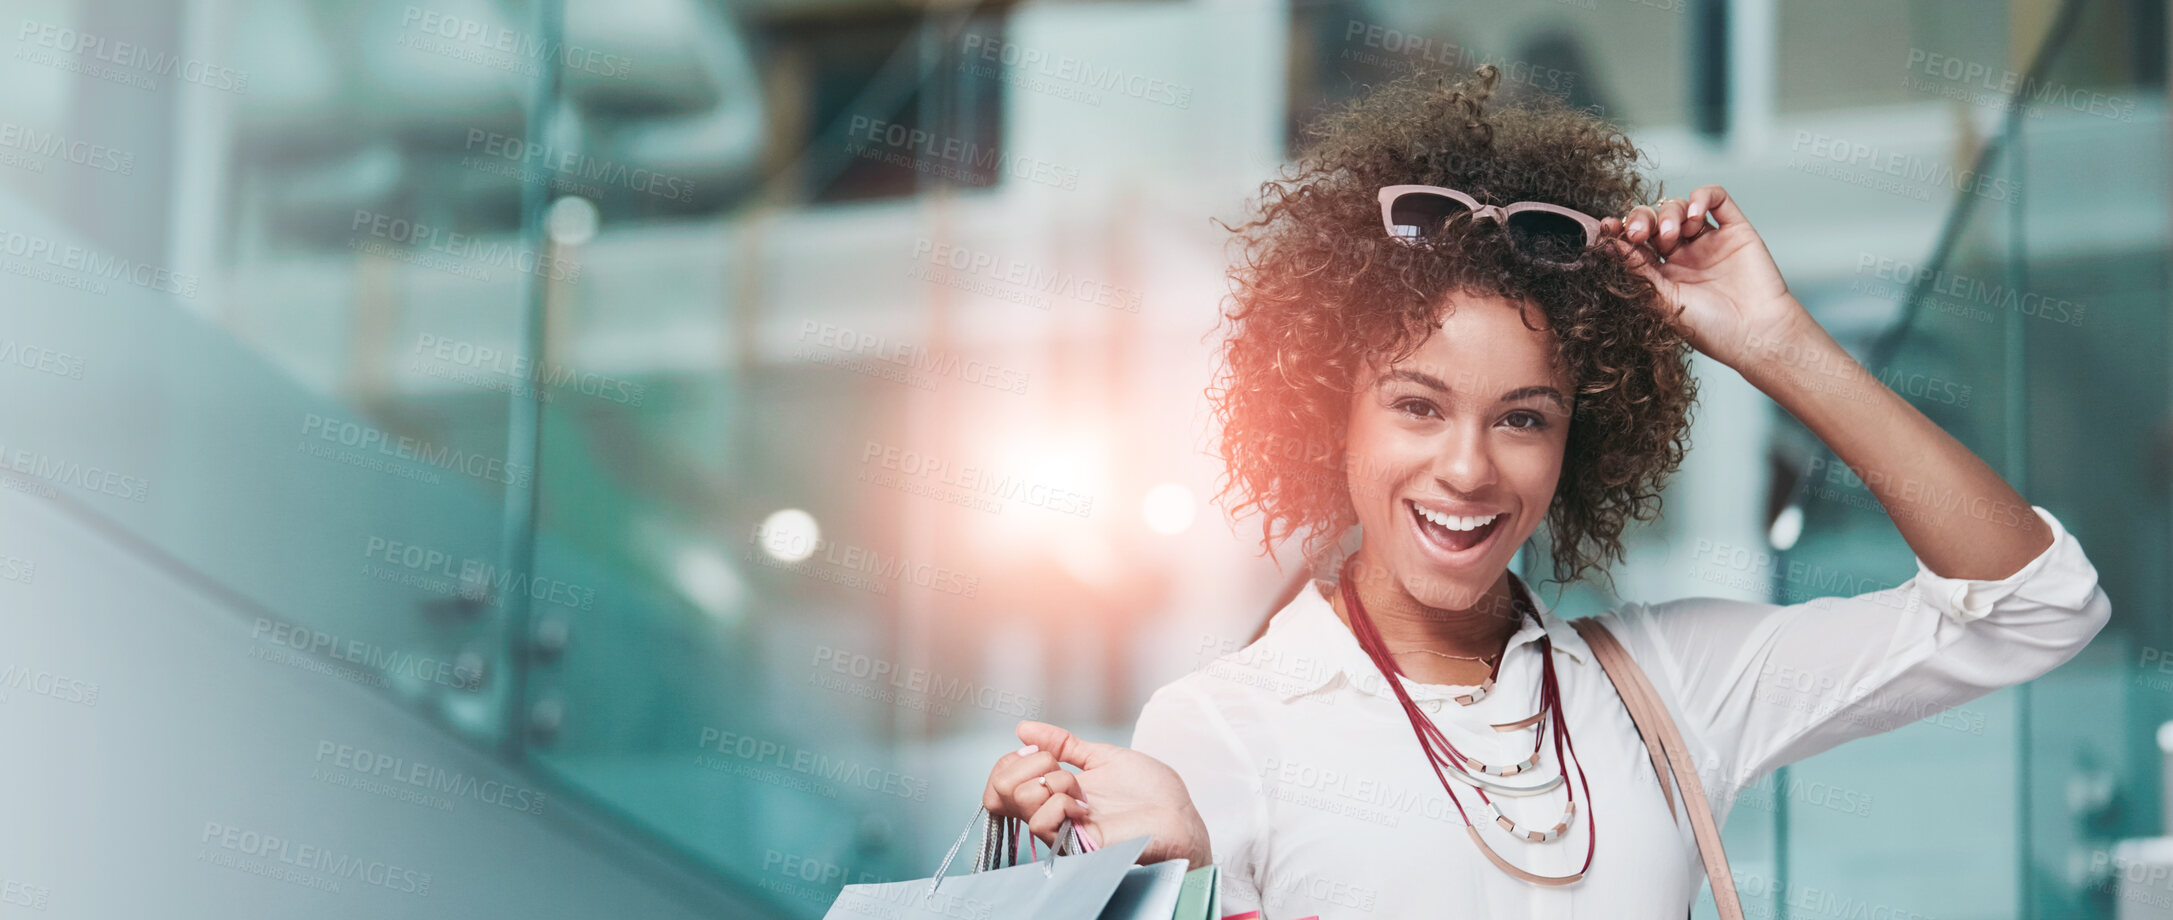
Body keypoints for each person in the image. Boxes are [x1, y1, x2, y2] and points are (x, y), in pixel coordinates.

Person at [979, 64, 2110, 917]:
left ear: (1582, 433)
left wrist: (1775, 344)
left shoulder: (1665, 685)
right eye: (1417, 405)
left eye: (1523, 416)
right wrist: (1167, 866)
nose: (1468, 468)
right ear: (1331, 413)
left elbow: (2036, 602)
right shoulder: (1223, 726)